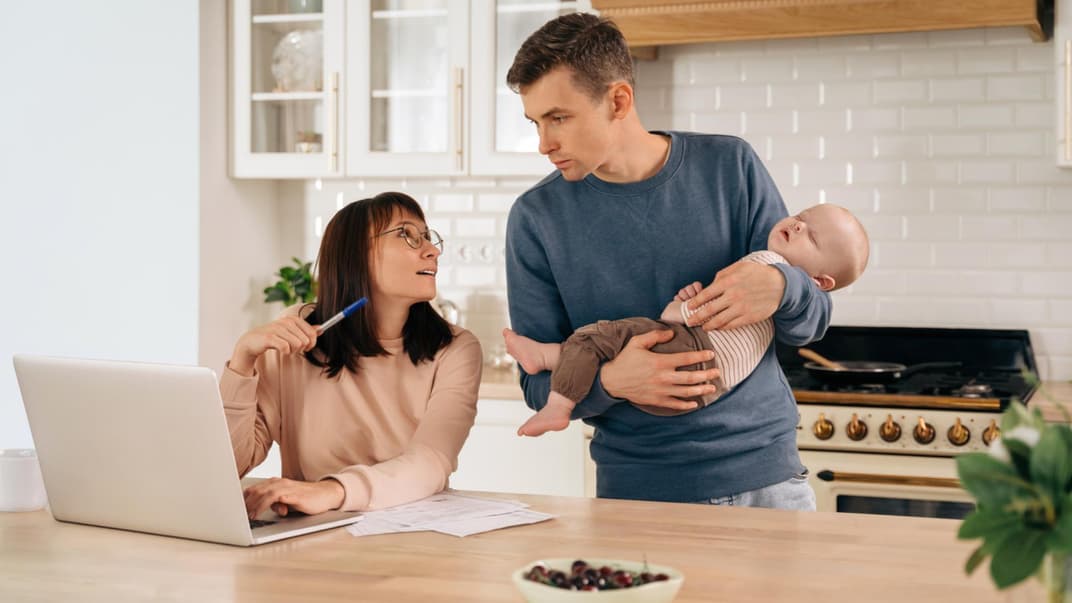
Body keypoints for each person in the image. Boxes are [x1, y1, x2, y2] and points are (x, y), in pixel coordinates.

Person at [504, 13, 832, 510]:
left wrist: (783, 287)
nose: (544, 143)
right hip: (641, 496)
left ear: (618, 100)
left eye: (559, 118)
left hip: (770, 483)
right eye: (536, 122)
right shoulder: (535, 218)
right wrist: (612, 382)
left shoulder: (730, 168)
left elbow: (813, 322)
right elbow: (537, 380)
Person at [221, 192, 482, 519]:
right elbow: (231, 465)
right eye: (407, 236)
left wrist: (331, 491)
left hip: (411, 531)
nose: (432, 250)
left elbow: (431, 462)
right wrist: (243, 360)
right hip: (308, 532)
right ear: (356, 255)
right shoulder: (297, 332)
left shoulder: (456, 348)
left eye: (426, 237)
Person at [505, 203, 869, 437]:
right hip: (701, 392)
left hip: (687, 358)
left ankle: (556, 388)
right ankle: (551, 357)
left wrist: (679, 311)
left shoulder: (765, 261)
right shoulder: (536, 216)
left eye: (814, 236)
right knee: (608, 351)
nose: (799, 225)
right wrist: (614, 381)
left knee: (600, 338)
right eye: (802, 217)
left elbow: (692, 315)